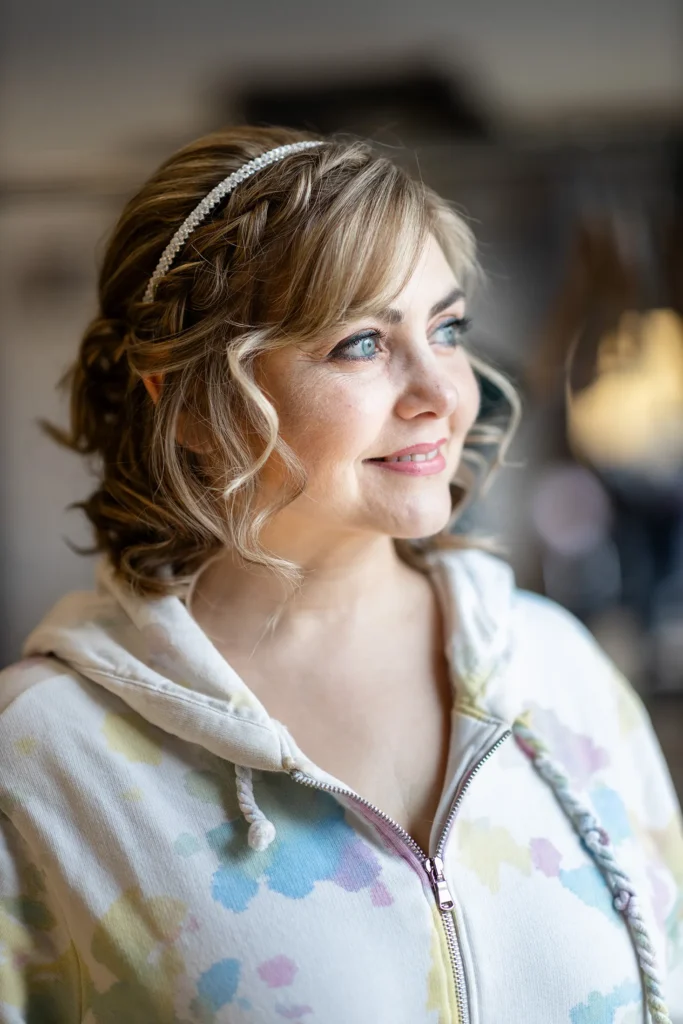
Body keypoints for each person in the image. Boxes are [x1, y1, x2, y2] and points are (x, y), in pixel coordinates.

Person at [0, 126, 681, 1024]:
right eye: (361, 343)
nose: (442, 391)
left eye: (446, 328)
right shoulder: (40, 761)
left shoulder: (559, 669)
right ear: (189, 399)